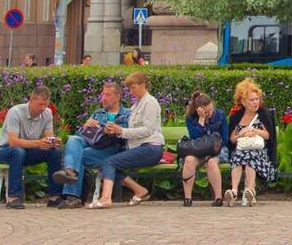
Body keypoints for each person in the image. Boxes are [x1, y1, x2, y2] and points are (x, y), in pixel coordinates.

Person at [51, 81, 144, 209]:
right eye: (102, 94)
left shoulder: (128, 114)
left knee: (79, 156)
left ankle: (73, 196)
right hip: (93, 144)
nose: (103, 98)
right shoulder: (98, 113)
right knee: (73, 139)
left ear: (117, 96)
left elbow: (129, 134)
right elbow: (81, 135)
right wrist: (85, 126)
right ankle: (70, 170)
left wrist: (113, 130)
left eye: (107, 95)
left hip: (114, 149)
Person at [90, 72, 163, 209]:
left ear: (143, 85)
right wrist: (113, 130)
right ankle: (140, 190)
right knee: (105, 163)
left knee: (109, 162)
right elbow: (131, 130)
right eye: (129, 88)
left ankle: (106, 198)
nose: (131, 91)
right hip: (140, 147)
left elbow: (148, 130)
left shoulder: (150, 102)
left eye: (133, 87)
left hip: (151, 148)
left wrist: (121, 131)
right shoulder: (136, 105)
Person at [0, 85, 63, 210]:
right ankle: (13, 198)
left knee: (55, 152)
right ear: (31, 100)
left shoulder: (47, 113)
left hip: (27, 151)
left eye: (45, 104)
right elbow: (13, 142)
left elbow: (48, 137)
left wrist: (53, 142)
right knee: (18, 152)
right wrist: (38, 143)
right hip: (5, 150)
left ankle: (54, 197)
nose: (43, 108)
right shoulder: (15, 112)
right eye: (40, 104)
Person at [226, 78, 277, 207]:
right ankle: (234, 191)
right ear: (243, 101)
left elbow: (268, 136)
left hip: (260, 152)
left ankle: (250, 190)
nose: (256, 102)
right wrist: (241, 134)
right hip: (241, 150)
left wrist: (255, 131)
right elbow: (231, 139)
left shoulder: (264, 114)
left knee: (250, 156)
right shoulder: (236, 117)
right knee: (238, 156)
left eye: (257, 99)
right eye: (252, 100)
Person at [181, 91, 228, 207]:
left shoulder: (220, 115)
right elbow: (195, 138)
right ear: (198, 110)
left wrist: (211, 151)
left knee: (211, 162)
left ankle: (218, 198)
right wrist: (201, 120)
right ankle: (187, 198)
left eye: (211, 109)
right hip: (199, 150)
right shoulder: (190, 118)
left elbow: (225, 139)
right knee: (189, 160)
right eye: (207, 112)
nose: (210, 113)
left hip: (217, 149)